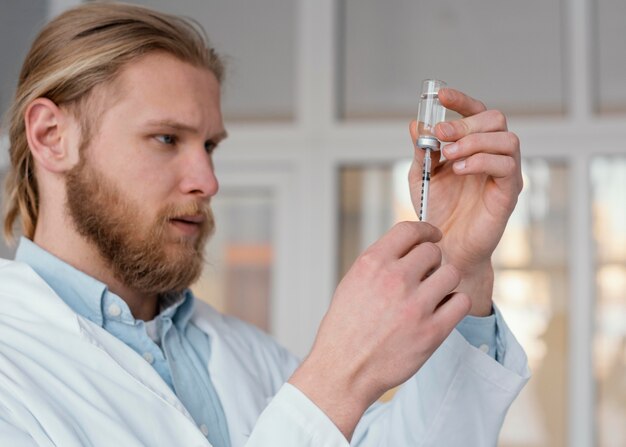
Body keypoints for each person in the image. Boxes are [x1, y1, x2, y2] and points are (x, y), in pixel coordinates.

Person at [0, 3, 529, 446]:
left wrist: (458, 265)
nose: (207, 180)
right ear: (51, 137)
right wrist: (334, 380)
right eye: (166, 139)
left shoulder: (240, 353)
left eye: (209, 145)